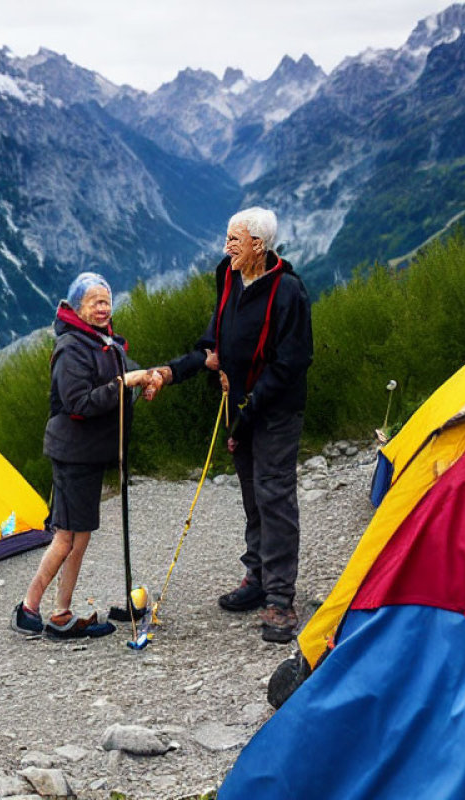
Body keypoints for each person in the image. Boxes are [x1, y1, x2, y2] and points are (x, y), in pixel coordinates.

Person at [155, 207, 313, 643]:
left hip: (275, 410)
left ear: (259, 246)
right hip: (239, 404)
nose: (226, 248)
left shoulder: (288, 293)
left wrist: (250, 410)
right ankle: (258, 577)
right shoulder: (228, 275)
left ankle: (280, 599)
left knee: (274, 495)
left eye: (235, 241)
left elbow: (292, 364)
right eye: (227, 239)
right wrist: (174, 371)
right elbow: (216, 337)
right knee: (252, 493)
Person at [11, 272, 162, 639]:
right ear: (77, 306)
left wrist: (146, 379)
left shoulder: (105, 342)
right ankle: (41, 611)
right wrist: (124, 383)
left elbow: (123, 378)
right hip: (73, 453)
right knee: (68, 536)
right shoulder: (72, 348)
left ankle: (47, 612)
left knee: (77, 536)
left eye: (106, 300)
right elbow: (78, 403)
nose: (102, 306)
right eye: (94, 301)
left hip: (87, 453)